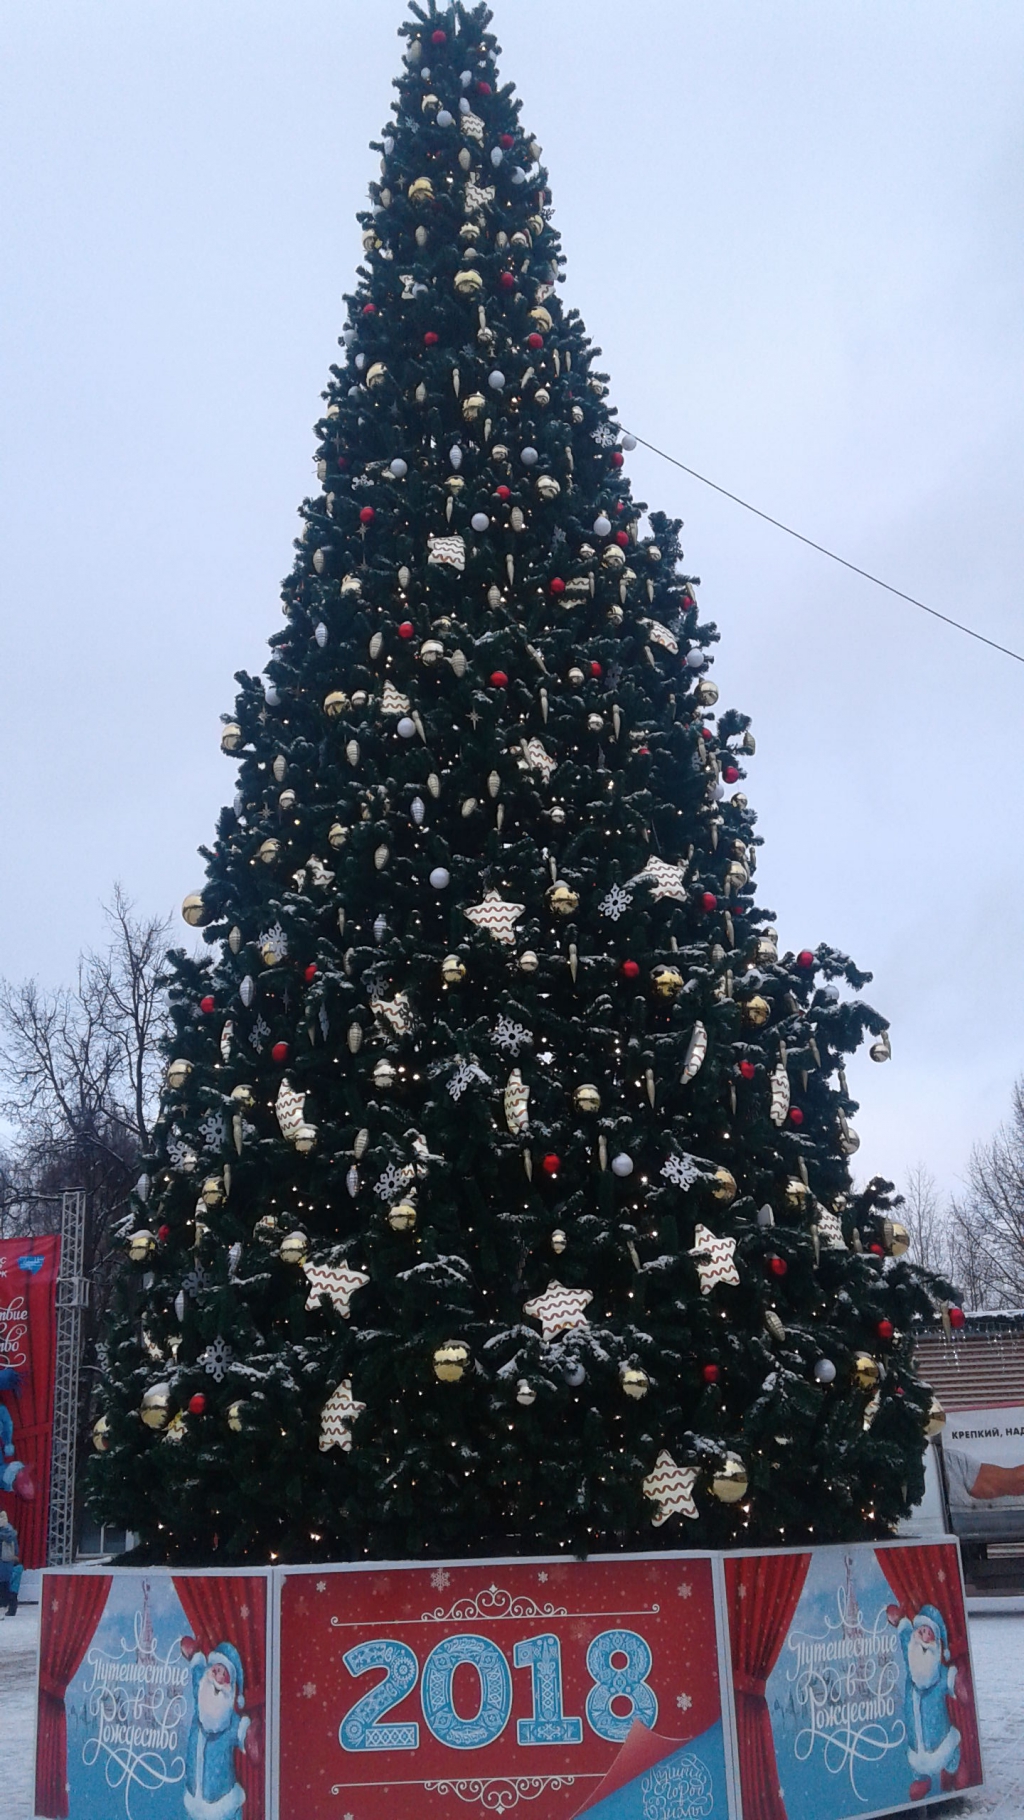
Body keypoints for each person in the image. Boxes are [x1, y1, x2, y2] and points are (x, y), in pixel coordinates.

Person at [886, 1601, 970, 1802]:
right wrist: (899, 1620)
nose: (924, 1637)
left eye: (929, 1633)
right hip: (917, 1749)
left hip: (941, 1742)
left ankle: (956, 1768)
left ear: (936, 1643)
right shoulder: (912, 1659)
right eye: (921, 1631)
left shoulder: (940, 1674)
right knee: (918, 1768)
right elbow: (905, 1633)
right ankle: (923, 1780)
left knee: (950, 1759)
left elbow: (955, 1684)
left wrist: (959, 1684)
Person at [180, 1635, 254, 1820]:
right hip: (193, 1805)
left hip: (223, 1808)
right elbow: (197, 1670)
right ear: (209, 1671)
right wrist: (194, 1654)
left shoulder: (230, 1722)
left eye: (225, 1676)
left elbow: (245, 1735)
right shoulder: (201, 1695)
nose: (219, 1679)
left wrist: (251, 1738)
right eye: (217, 1671)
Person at [0, 1509, 22, 1618]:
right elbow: (16, 1550)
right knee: (10, 1587)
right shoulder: (10, 1531)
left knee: (5, 1586)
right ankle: (9, 1608)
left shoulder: (4, 1532)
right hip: (10, 1562)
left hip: (5, 1563)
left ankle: (5, 1607)